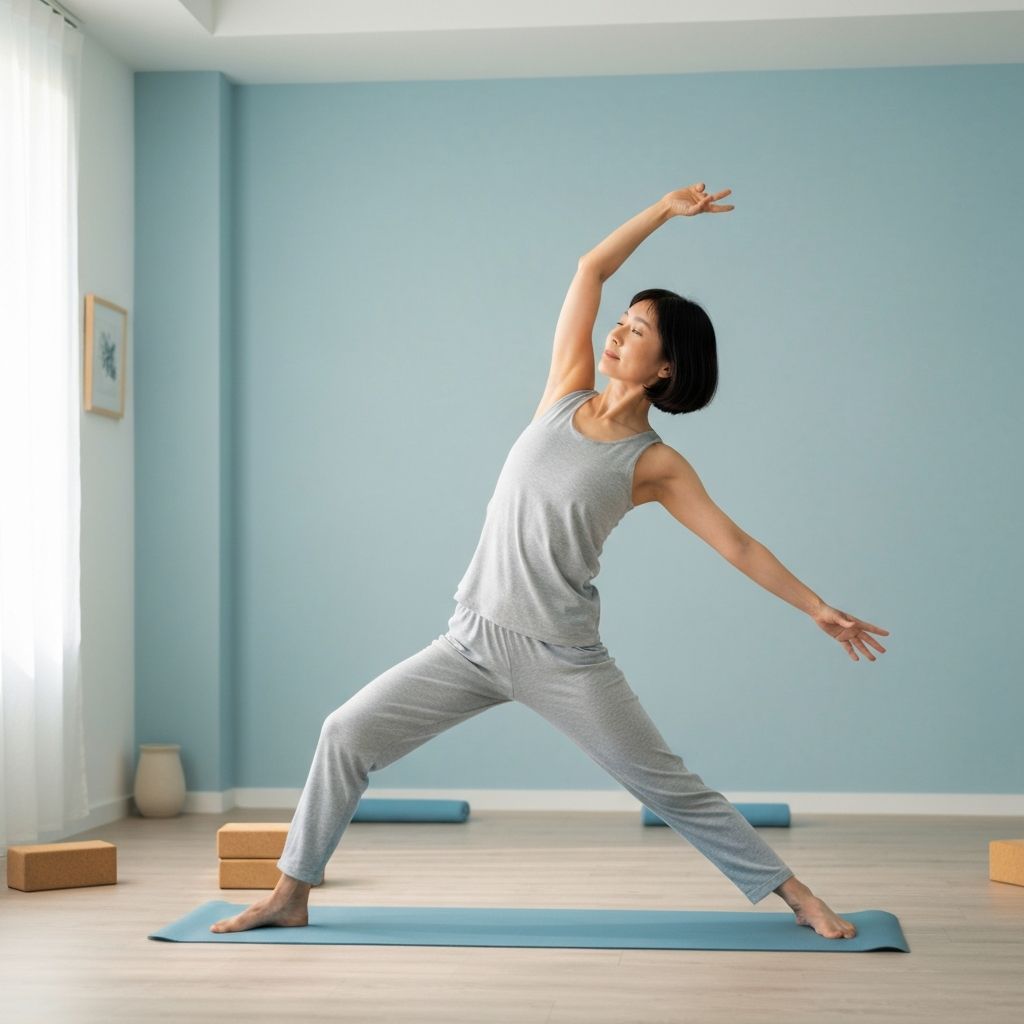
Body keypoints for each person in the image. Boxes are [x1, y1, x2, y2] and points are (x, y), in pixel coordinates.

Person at [211, 184, 890, 939]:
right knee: (344, 732)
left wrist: (817, 607)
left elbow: (735, 543)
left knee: (668, 786)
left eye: (638, 332)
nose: (618, 335)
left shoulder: (655, 462)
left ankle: (799, 897)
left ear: (666, 367)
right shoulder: (564, 393)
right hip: (469, 640)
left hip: (560, 656)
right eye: (624, 323)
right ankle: (290, 893)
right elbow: (590, 269)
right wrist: (664, 213)